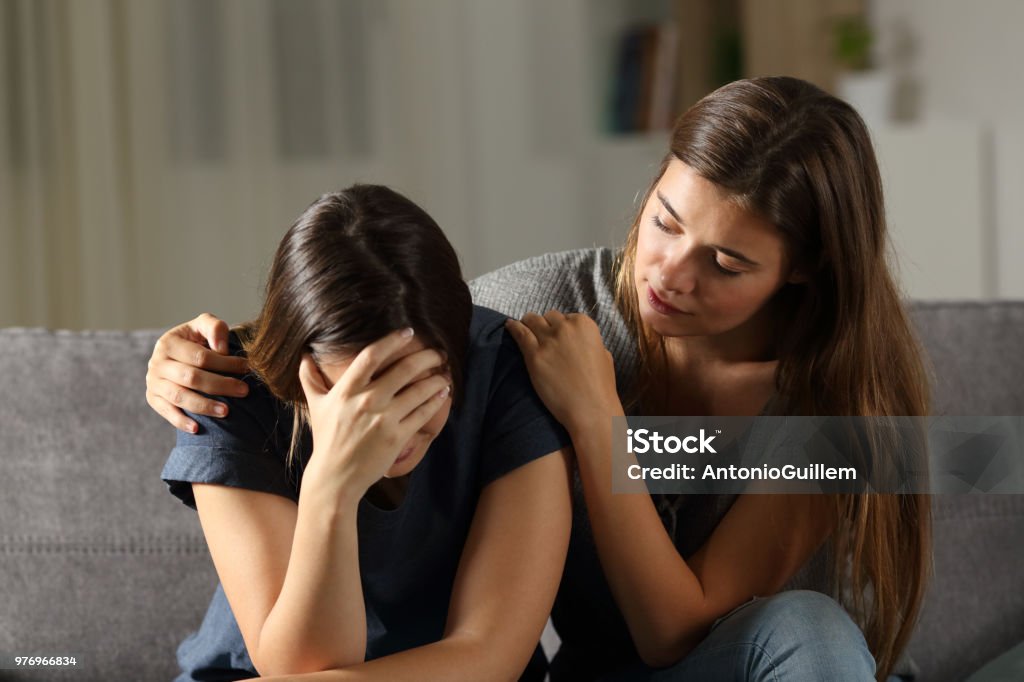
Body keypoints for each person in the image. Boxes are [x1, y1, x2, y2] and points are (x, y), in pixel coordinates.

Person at [147, 77, 931, 681]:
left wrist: (598, 424)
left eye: (726, 263)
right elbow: (390, 312)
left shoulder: (847, 408)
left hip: (747, 664)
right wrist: (182, 358)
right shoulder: (534, 313)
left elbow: (673, 631)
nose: (670, 274)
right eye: (664, 219)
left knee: (811, 626)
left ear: (805, 271)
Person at [155, 184, 573, 681]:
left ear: (455, 355)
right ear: (301, 370)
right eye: (359, 398)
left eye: (417, 391)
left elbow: (489, 656)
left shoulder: (505, 371)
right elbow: (300, 666)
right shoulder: (228, 392)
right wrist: (331, 484)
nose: (390, 431)